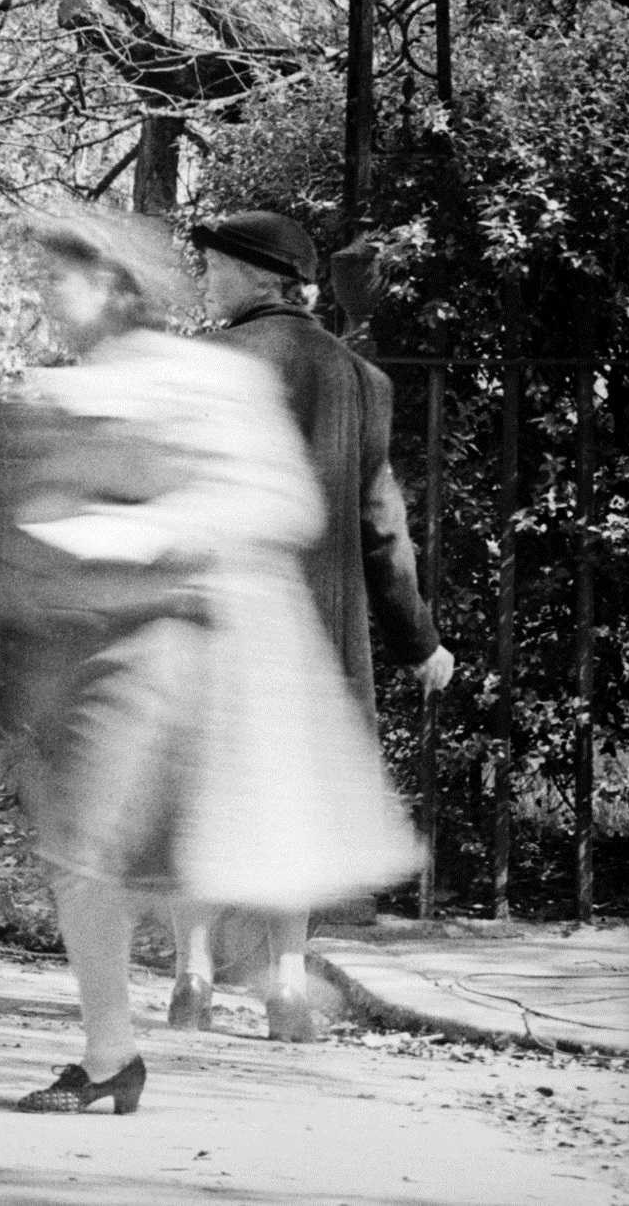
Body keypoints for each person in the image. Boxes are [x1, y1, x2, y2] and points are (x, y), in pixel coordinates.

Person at [0, 201, 416, 1114]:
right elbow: (28, 522)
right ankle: (162, 1022)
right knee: (85, 856)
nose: (49, 292)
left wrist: (132, 535)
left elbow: (281, 503)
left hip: (175, 644)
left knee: (113, 846)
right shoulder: (64, 387)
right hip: (82, 651)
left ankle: (164, 1021)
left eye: (67, 275)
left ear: (118, 286)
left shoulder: (208, 378)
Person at [167, 207, 452, 1040]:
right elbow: (381, 529)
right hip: (317, 639)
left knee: (201, 794)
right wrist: (421, 642)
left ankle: (193, 975)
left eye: (214, 266)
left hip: (214, 621)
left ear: (259, 277)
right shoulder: (363, 383)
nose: (206, 281)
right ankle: (288, 987)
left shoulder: (203, 365)